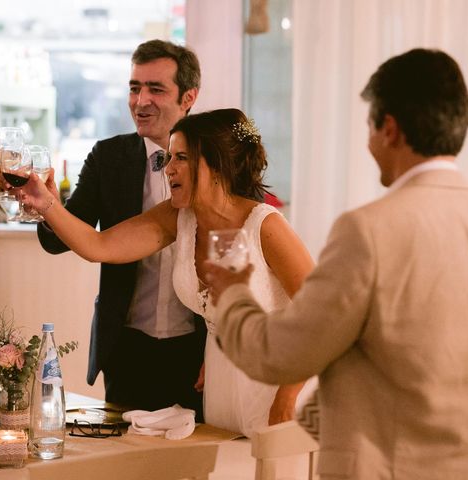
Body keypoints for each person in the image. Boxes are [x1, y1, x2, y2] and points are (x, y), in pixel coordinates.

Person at [204, 48, 468, 479]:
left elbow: (281, 355)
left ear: (390, 129)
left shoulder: (369, 231)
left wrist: (232, 292)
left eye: (369, 125)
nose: (368, 143)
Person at [19, 108, 314, 436]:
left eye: (182, 158)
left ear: (217, 166)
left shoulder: (265, 226)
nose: (167, 168)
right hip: (221, 383)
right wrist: (47, 204)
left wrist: (286, 397)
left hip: (279, 384)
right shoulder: (182, 217)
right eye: (169, 157)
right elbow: (99, 246)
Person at [37, 39, 205, 416]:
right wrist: (45, 206)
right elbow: (62, 239)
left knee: (192, 465)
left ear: (188, 97)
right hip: (127, 348)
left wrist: (220, 351)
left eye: (155, 89)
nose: (140, 101)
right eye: (134, 88)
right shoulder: (108, 157)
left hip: (196, 350)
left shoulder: (213, 161)